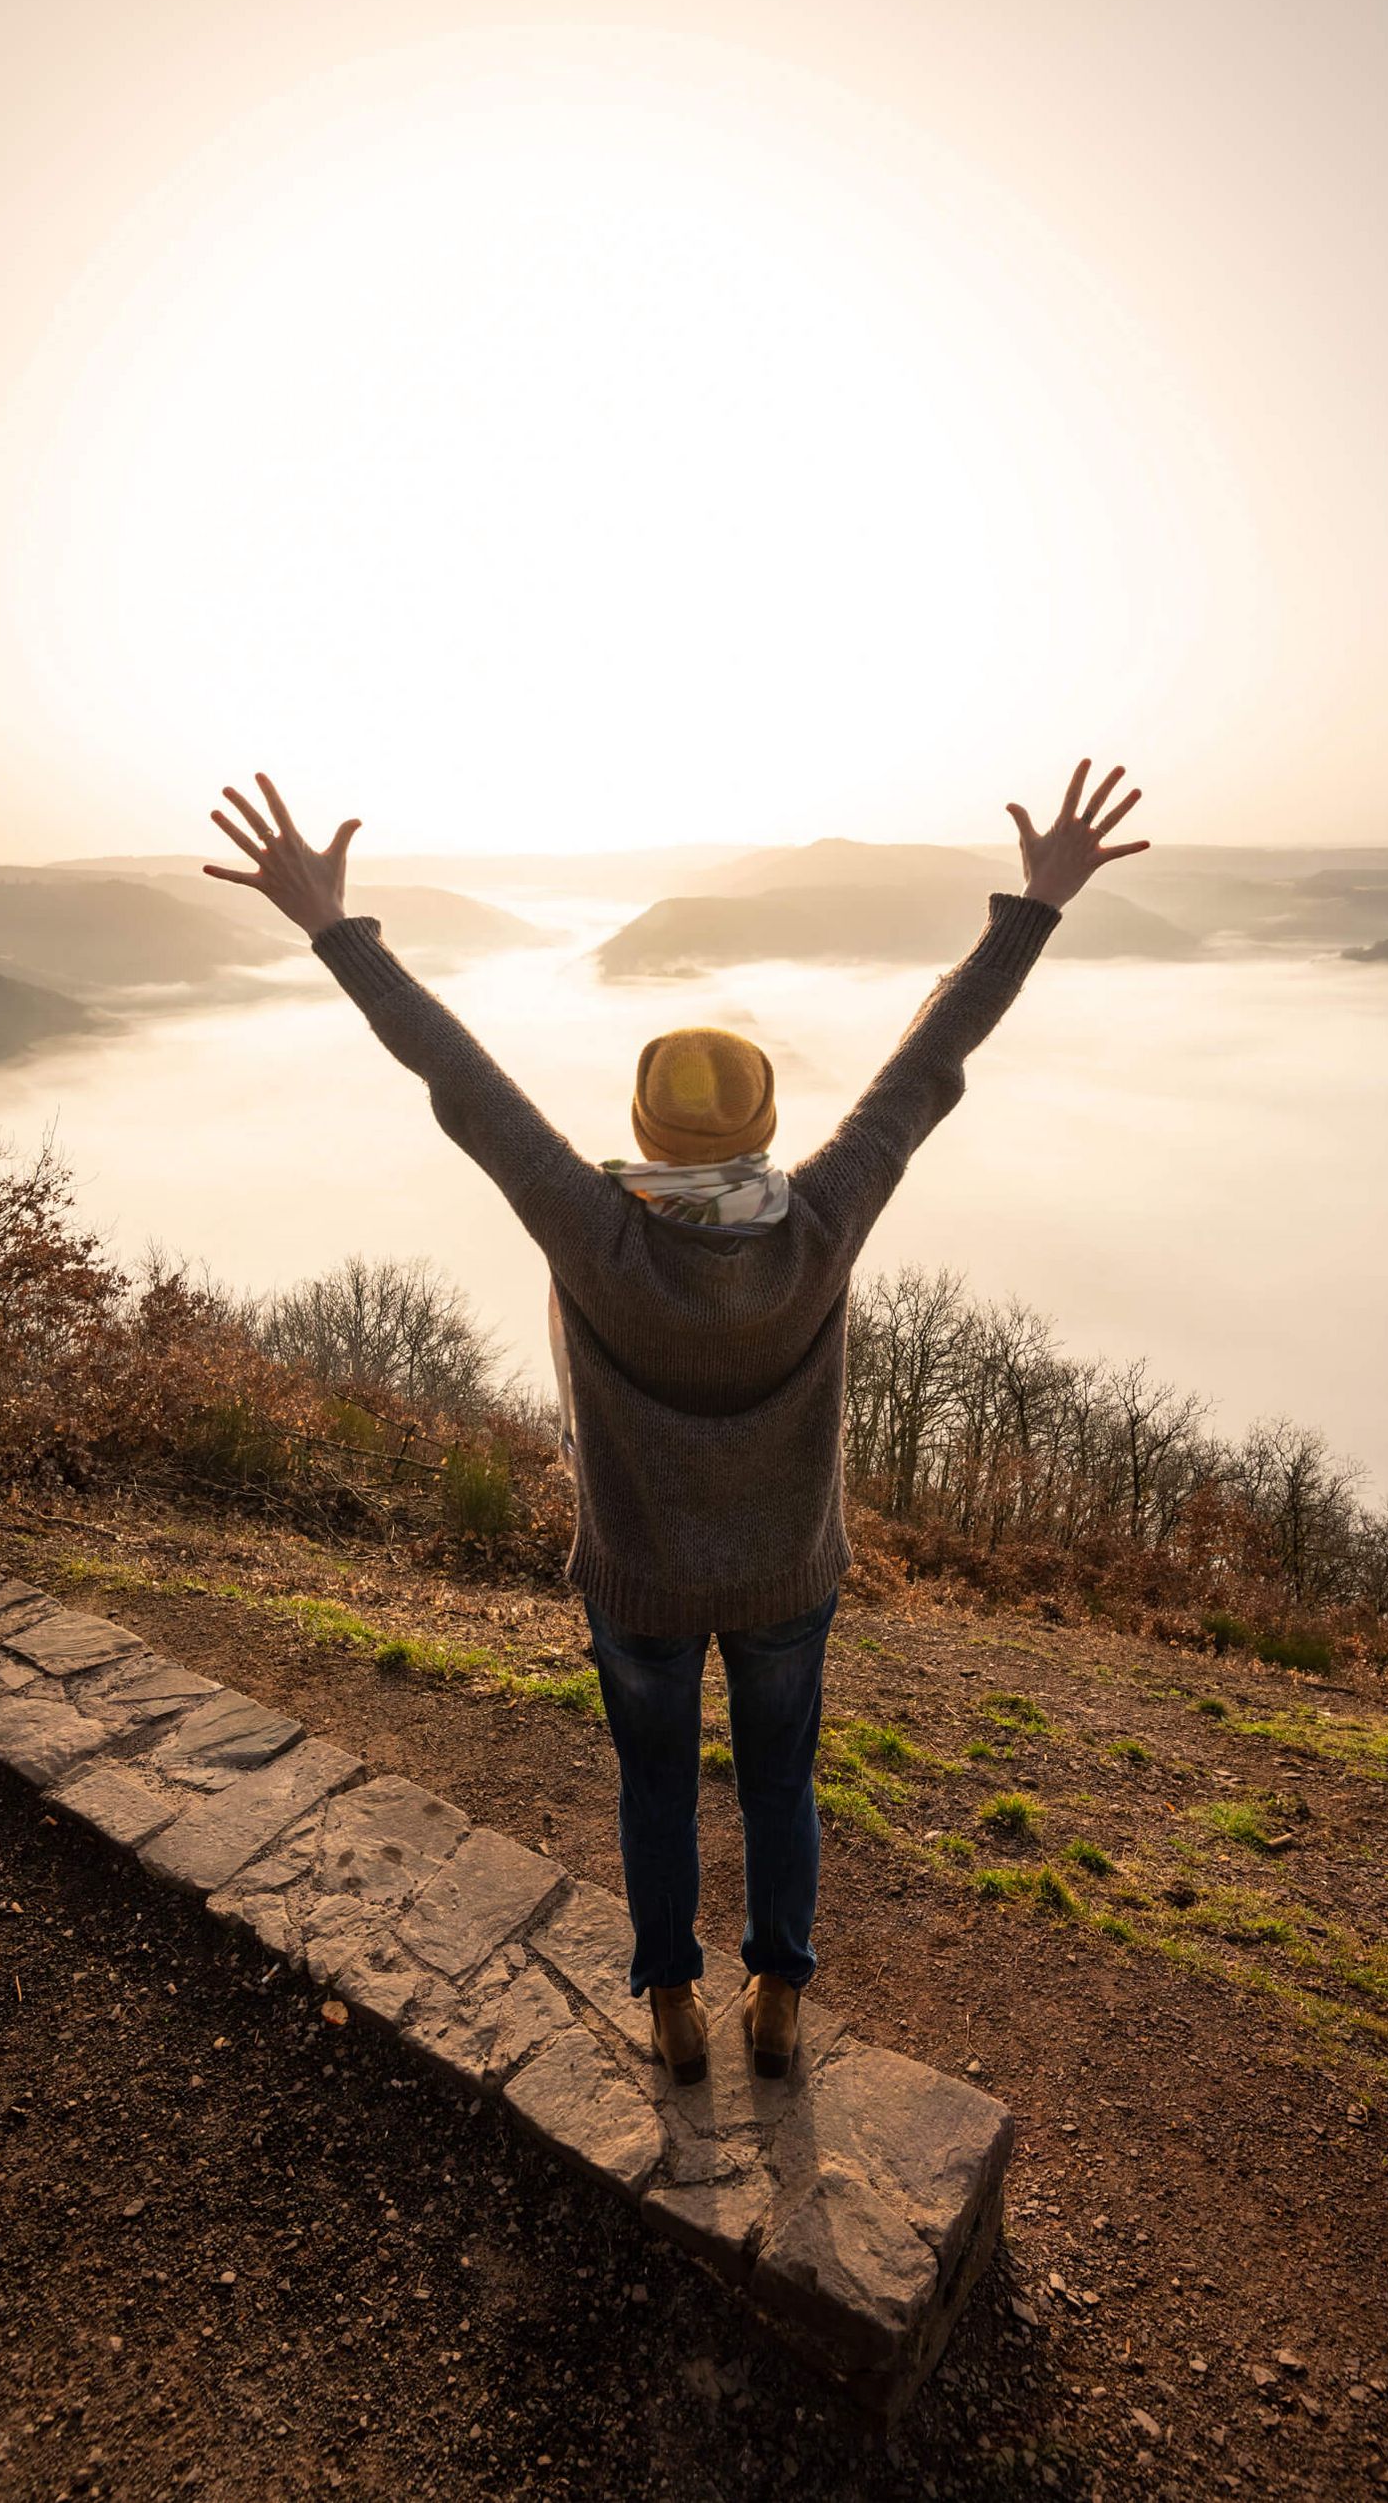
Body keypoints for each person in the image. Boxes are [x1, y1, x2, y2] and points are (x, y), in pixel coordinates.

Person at [204, 761, 1147, 2084]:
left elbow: (462, 1078)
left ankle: (673, 2003)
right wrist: (1035, 906)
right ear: (768, 1129)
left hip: (640, 1583)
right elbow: (932, 1056)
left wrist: (335, 931)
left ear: (641, 1131)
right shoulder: (822, 1219)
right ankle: (778, 1991)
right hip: (783, 1577)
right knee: (781, 1783)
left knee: (654, 1787)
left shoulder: (596, 1232)